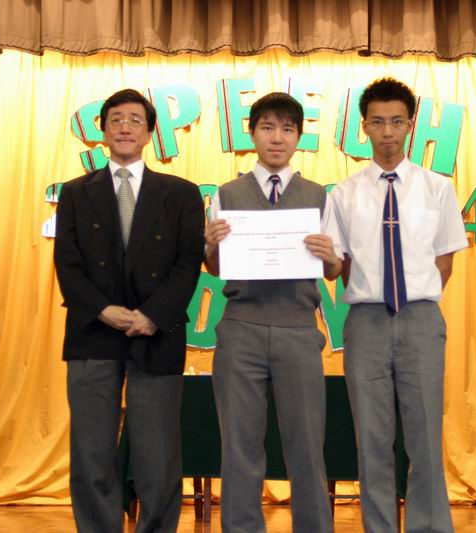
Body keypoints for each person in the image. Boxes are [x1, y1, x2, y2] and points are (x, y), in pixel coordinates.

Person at [54, 88, 205, 533]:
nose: (125, 127)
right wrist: (104, 310)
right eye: (116, 119)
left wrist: (152, 315)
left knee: (157, 454)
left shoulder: (180, 193)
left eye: (135, 120)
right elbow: (68, 265)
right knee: (91, 451)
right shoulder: (76, 193)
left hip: (156, 333)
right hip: (93, 332)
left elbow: (187, 263)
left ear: (151, 132)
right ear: (102, 130)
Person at [325, 77, 468, 533]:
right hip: (365, 321)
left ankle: (430, 526)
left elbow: (444, 260)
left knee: (424, 436)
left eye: (396, 121)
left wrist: (413, 297)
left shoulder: (437, 188)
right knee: (372, 438)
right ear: (364, 127)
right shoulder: (343, 194)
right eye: (377, 122)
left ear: (410, 125)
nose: (387, 131)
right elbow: (336, 265)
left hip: (421, 319)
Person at [204, 92, 342, 533]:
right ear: (252, 135)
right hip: (240, 328)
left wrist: (330, 257)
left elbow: (334, 270)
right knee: (239, 447)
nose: (277, 138)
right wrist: (211, 246)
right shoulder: (226, 194)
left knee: (307, 446)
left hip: (298, 330)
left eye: (286, 128)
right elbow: (215, 267)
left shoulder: (319, 196)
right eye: (267, 127)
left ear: (299, 137)